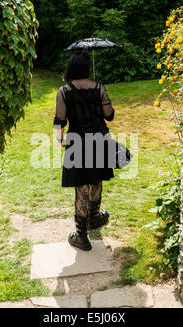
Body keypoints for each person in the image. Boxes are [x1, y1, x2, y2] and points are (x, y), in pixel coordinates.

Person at [53, 53, 115, 251]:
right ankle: (94, 217)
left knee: (81, 188)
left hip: (77, 142)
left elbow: (59, 119)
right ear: (87, 69)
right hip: (100, 139)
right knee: (96, 180)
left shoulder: (64, 91)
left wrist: (59, 139)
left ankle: (81, 236)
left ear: (71, 69)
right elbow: (110, 115)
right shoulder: (99, 88)